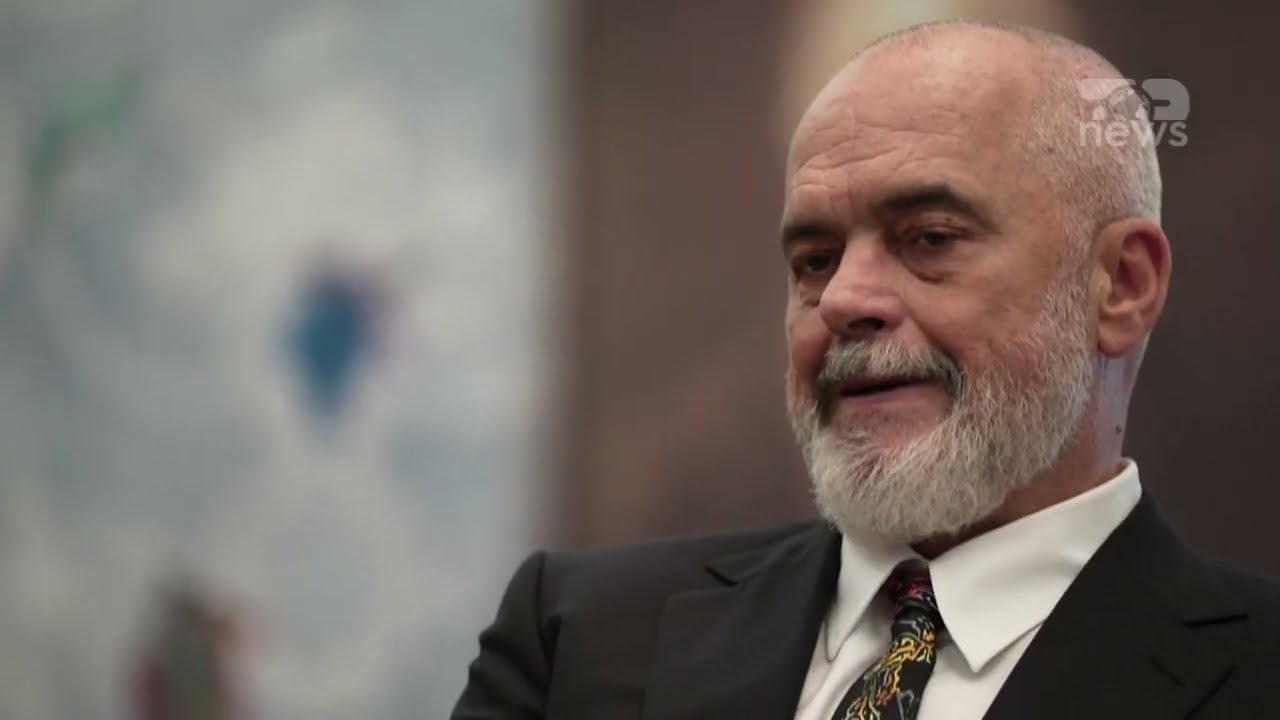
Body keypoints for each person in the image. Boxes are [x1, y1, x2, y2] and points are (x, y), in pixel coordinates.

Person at [452, 20, 1280, 719]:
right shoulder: (581, 638)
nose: (844, 299)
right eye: (814, 259)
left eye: (930, 239)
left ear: (1121, 286)